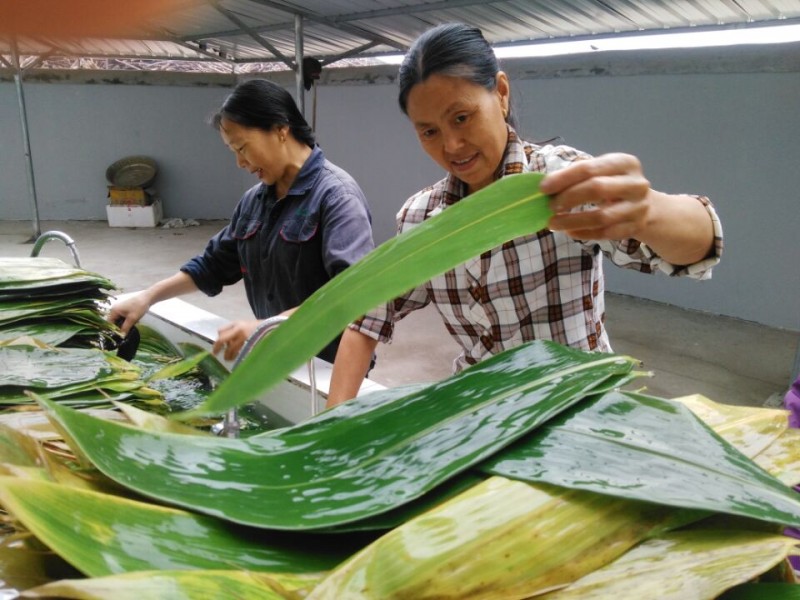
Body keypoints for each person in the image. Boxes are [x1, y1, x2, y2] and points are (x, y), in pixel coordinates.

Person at [326, 23, 723, 406]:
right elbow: (367, 320)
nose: (452, 144)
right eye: (428, 131)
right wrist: (330, 425)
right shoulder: (422, 219)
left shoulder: (557, 183)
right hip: (483, 413)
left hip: (578, 405)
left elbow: (696, 246)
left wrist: (650, 211)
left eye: (461, 117)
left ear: (500, 93)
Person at [109, 79, 375, 363]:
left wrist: (265, 327)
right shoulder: (253, 202)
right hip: (279, 353)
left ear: (280, 129)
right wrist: (147, 297)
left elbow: (352, 296)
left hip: (330, 364)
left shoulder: (337, 197)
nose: (240, 162)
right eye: (233, 152)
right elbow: (211, 266)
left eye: (243, 148)